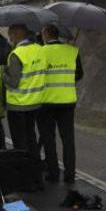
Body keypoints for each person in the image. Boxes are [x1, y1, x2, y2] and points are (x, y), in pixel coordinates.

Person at [36, 24, 83, 184]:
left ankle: (53, 173)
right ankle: (70, 175)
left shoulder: (40, 52)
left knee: (49, 139)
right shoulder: (72, 51)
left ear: (46, 34)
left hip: (46, 101)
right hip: (67, 101)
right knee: (68, 140)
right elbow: (79, 74)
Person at [4, 24, 45, 156]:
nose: (9, 37)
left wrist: (3, 74)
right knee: (31, 137)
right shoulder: (40, 49)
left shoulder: (16, 54)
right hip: (35, 103)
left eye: (10, 34)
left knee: (20, 143)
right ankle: (34, 168)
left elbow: (13, 82)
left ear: (16, 34)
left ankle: (23, 172)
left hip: (18, 105)